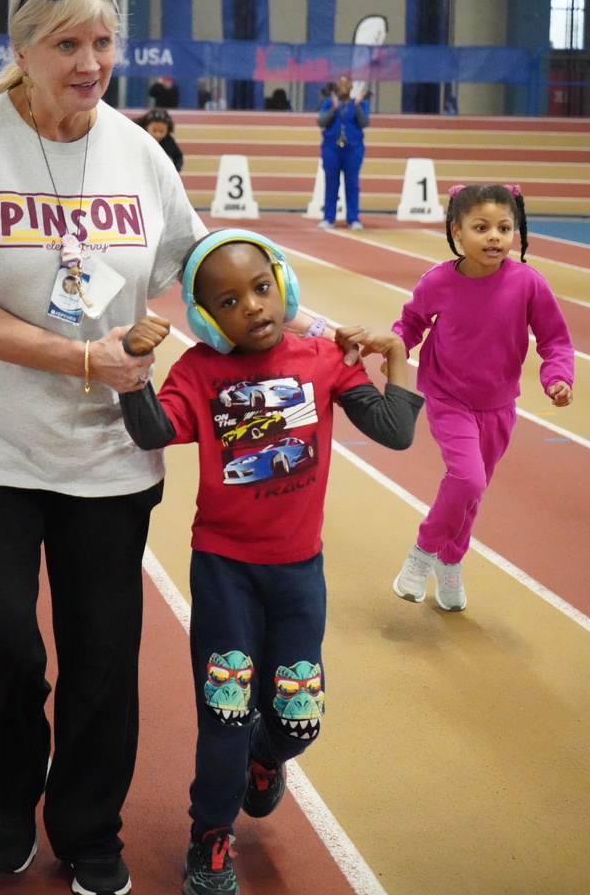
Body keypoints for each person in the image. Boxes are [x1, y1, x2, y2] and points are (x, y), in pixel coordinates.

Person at [0, 0, 206, 895]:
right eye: (67, 44)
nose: (90, 63)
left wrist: (299, 327)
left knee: (100, 654)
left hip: (106, 452)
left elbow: (198, 270)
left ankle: (88, 828)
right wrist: (83, 356)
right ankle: (12, 790)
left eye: (103, 42)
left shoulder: (137, 151)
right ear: (23, 51)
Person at [117, 228, 424, 895]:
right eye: (227, 302)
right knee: (225, 711)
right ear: (203, 318)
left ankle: (266, 759)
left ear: (282, 285)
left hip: (297, 580)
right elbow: (151, 431)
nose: (251, 307)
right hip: (225, 574)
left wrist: (396, 356)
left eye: (260, 289)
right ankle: (211, 837)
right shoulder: (198, 372)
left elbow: (395, 432)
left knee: (297, 719)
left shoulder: (321, 359)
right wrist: (134, 367)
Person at [389, 184, 574, 612]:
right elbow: (412, 320)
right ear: (456, 231)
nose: (494, 236)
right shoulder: (438, 281)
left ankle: (451, 564)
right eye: (481, 227)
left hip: (499, 404)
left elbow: (555, 341)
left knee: (473, 491)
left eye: (504, 228)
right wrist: (398, 346)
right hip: (447, 395)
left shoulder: (528, 283)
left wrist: (558, 377)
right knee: (467, 479)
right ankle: (422, 554)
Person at [316, 74, 369, 231]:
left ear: (351, 87)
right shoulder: (329, 103)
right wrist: (333, 109)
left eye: (347, 83)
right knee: (331, 183)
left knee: (352, 184)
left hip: (353, 150)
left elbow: (365, 123)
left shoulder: (361, 103)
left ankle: (353, 219)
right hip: (331, 149)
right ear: (338, 87)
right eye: (341, 83)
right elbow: (321, 122)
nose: (344, 85)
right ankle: (328, 218)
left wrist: (358, 107)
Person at [135, 107, 184, 172]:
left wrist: (174, 172)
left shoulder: (168, 141)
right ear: (146, 127)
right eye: (154, 130)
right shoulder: (138, 137)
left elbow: (178, 156)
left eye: (161, 131)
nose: (158, 135)